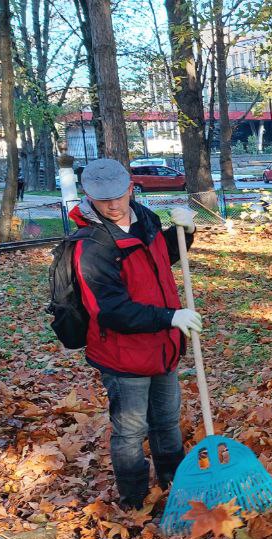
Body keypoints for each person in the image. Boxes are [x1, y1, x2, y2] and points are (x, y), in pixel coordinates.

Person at [70, 158, 202, 510]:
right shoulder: (90, 246)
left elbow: (160, 262)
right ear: (88, 196)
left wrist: (184, 234)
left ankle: (175, 488)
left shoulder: (146, 219)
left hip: (162, 347)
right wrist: (171, 317)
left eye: (118, 195)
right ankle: (134, 502)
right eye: (102, 199)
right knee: (130, 431)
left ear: (130, 187)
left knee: (167, 423)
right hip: (123, 355)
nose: (113, 205)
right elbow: (110, 310)